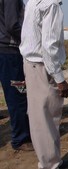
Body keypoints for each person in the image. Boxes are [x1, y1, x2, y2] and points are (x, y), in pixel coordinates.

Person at [19, 0, 68, 168]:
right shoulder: (51, 5)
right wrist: (60, 79)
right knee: (47, 119)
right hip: (43, 68)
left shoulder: (33, 2)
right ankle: (51, 165)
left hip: (31, 64)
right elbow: (49, 46)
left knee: (39, 119)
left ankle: (49, 162)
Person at [0, 0, 33, 151]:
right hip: (10, 51)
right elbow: (13, 25)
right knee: (17, 95)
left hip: (4, 50)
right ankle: (20, 139)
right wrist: (32, 40)